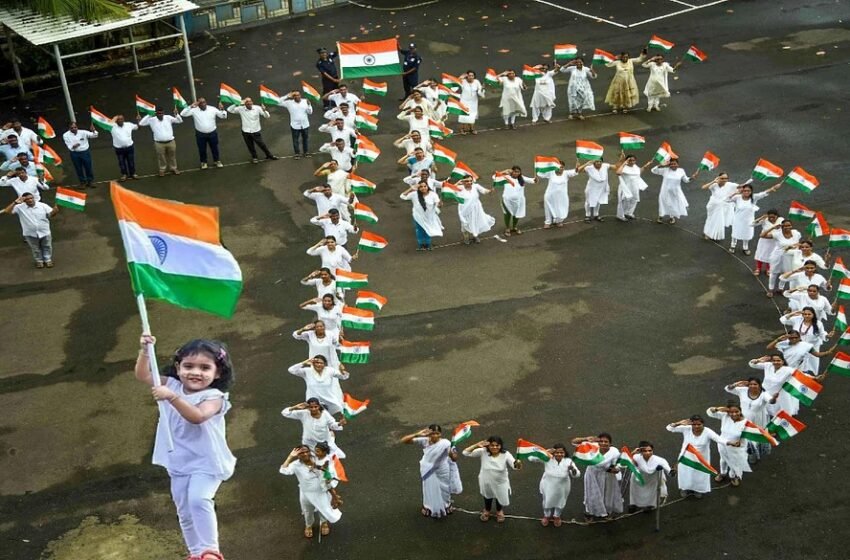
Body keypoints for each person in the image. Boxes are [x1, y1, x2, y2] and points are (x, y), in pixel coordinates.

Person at [134, 334, 236, 560]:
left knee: (199, 500)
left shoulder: (215, 397)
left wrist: (172, 398)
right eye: (188, 366)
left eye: (204, 368)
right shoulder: (172, 384)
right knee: (183, 509)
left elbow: (198, 416)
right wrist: (144, 351)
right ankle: (195, 552)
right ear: (178, 367)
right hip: (179, 459)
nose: (195, 372)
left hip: (207, 461)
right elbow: (142, 374)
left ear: (217, 373)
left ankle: (211, 551)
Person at [279, 445, 342, 539]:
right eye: (301, 453)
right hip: (306, 494)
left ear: (310, 451)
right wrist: (290, 457)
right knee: (308, 511)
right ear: (297, 455)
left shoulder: (319, 459)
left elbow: (329, 473)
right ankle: (308, 526)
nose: (304, 454)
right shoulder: (296, 465)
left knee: (324, 508)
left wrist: (333, 493)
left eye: (306, 451)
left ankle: (324, 523)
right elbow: (283, 470)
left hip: (322, 491)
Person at [462, 436, 522, 523]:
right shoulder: (483, 452)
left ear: (501, 446)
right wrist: (476, 445)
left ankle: (499, 511)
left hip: (500, 482)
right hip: (486, 481)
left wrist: (518, 464)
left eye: (497, 445)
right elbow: (465, 452)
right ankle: (487, 510)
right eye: (492, 445)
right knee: (487, 497)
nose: (494, 447)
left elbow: (515, 467)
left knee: (499, 497)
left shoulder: (506, 454)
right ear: (488, 446)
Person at [400, 425, 455, 518]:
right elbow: (404, 440)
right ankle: (428, 506)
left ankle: (447, 505)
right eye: (432, 433)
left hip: (442, 469)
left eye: (437, 433)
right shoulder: (425, 440)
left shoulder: (446, 443)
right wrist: (417, 434)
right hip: (428, 468)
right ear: (429, 434)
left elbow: (454, 458)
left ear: (440, 434)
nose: (435, 436)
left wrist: (451, 453)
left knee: (444, 487)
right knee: (428, 487)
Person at [666, 415, 726, 498]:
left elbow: (719, 439)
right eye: (694, 424)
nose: (696, 426)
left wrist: (730, 443)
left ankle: (698, 490)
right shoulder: (686, 429)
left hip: (701, 459)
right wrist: (679, 423)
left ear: (703, 424)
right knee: (686, 474)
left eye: (699, 424)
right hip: (686, 457)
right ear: (691, 424)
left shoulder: (708, 431)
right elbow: (669, 428)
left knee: (699, 475)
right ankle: (685, 489)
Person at [571, 434, 623, 520]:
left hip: (608, 476)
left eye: (606, 442)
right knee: (592, 494)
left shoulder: (614, 452)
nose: (603, 443)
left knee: (607, 494)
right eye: (601, 441)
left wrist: (614, 470)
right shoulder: (592, 447)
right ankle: (590, 512)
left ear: (610, 443)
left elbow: (617, 466)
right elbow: (574, 442)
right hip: (592, 475)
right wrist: (586, 438)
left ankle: (606, 512)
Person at [527, 443, 580, 527]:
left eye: (561, 452)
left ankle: (557, 516)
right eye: (557, 452)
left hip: (563, 487)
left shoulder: (568, 461)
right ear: (553, 452)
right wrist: (545, 452)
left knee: (561, 502)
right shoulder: (547, 458)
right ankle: (547, 515)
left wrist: (573, 469)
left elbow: (577, 475)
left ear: (565, 453)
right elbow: (531, 458)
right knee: (546, 502)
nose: (559, 454)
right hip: (548, 486)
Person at [2, 192, 59, 268]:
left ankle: (48, 259)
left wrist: (54, 211)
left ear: (34, 198)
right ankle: (39, 261)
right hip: (30, 233)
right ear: (24, 200)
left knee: (47, 246)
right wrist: (15, 202)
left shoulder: (42, 205)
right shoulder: (19, 207)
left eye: (31, 198)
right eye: (27, 199)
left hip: (45, 231)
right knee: (35, 248)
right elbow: (7, 211)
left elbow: (50, 215)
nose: (30, 200)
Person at [725, 378, 774, 463]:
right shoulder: (743, 390)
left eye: (755, 384)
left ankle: (753, 454)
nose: (752, 386)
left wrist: (774, 398)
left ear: (759, 385)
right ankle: (748, 453)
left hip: (757, 421)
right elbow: (728, 388)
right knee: (743, 438)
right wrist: (737, 383)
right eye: (751, 384)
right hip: (742, 419)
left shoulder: (764, 394)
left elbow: (771, 401)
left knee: (754, 439)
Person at [729, 183, 782, 254]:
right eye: (745, 191)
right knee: (735, 232)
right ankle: (733, 245)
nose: (746, 192)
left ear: (751, 191)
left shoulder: (754, 198)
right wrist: (735, 193)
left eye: (748, 191)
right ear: (742, 191)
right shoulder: (737, 197)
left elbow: (764, 193)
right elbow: (726, 199)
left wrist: (773, 188)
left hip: (748, 220)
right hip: (738, 219)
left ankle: (745, 247)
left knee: (747, 233)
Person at [705, 405, 749, 486]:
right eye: (731, 412)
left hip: (736, 447)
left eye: (736, 412)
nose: (734, 414)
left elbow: (748, 436)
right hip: (722, 444)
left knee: (734, 462)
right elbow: (709, 412)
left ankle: (733, 476)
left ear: (740, 411)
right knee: (723, 460)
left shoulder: (746, 423)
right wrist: (718, 408)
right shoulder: (725, 416)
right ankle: (723, 473)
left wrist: (741, 444)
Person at [180, 98, 227, 169]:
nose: (203, 104)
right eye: (201, 103)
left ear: (206, 102)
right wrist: (190, 106)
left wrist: (222, 109)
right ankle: (203, 162)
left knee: (214, 148)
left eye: (204, 102)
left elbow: (223, 116)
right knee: (202, 149)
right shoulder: (194, 110)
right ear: (198, 104)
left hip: (212, 133)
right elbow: (182, 114)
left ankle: (217, 161)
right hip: (200, 134)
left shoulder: (212, 109)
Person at [227, 97, 277, 163]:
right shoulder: (241, 109)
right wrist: (237, 103)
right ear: (244, 104)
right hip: (246, 131)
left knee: (261, 144)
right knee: (250, 146)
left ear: (252, 102)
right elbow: (229, 110)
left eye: (250, 101)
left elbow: (267, 116)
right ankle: (254, 157)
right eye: (247, 102)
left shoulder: (258, 108)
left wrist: (264, 110)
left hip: (255, 130)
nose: (249, 103)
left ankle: (269, 155)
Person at [761, 219, 802, 297]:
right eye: (785, 226)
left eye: (789, 225)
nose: (787, 227)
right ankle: (770, 289)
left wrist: (797, 245)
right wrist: (773, 228)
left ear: (791, 226)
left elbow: (799, 243)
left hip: (791, 257)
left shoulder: (796, 233)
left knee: (786, 273)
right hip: (778, 256)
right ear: (782, 226)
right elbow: (762, 235)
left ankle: (781, 288)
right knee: (774, 273)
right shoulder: (777, 234)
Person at [651, 158, 698, 224]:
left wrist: (692, 178)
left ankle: (671, 217)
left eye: (674, 164)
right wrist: (661, 165)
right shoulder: (665, 170)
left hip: (675, 192)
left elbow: (686, 180)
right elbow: (653, 170)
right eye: (671, 164)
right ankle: (660, 216)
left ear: (678, 164)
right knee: (663, 204)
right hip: (664, 192)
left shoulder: (681, 171)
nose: (673, 165)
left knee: (673, 204)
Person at [138, 106, 182, 176]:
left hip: (171, 142)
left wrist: (176, 114)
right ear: (156, 113)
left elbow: (180, 121)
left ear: (163, 113)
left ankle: (173, 168)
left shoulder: (168, 118)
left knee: (172, 156)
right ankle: (162, 169)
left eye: (161, 113)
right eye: (158, 113)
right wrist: (149, 114)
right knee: (161, 157)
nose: (160, 115)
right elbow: (141, 123)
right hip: (159, 143)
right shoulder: (151, 120)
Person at [628, 442, 672, 512]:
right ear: (641, 451)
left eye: (650, 450)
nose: (648, 453)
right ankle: (634, 504)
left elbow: (667, 467)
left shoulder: (658, 460)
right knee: (636, 492)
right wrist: (633, 453)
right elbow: (626, 461)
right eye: (645, 451)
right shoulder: (636, 457)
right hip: (638, 478)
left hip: (651, 479)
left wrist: (671, 471)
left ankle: (650, 505)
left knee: (650, 493)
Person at [400, 181, 443, 251]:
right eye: (421, 187)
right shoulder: (414, 194)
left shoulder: (433, 194)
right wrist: (411, 188)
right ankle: (421, 245)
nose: (423, 188)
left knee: (427, 229)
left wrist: (440, 204)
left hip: (429, 217)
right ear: (418, 188)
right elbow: (402, 196)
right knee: (419, 230)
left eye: (424, 186)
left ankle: (428, 244)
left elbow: (438, 204)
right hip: (418, 216)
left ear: (427, 186)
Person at [700, 173, 742, 241]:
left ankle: (715, 234)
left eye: (726, 178)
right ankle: (707, 233)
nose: (724, 180)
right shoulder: (714, 185)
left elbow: (740, 186)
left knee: (719, 221)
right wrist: (713, 181)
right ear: (718, 178)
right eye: (722, 178)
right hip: (712, 205)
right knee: (710, 219)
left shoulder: (730, 184)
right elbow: (703, 187)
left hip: (722, 206)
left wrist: (748, 183)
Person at [497, 165, 537, 236]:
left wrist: (535, 179)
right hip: (507, 201)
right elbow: (495, 177)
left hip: (519, 201)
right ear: (512, 171)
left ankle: (514, 227)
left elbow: (533, 181)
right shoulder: (506, 177)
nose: (516, 173)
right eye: (515, 172)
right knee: (507, 214)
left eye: (518, 172)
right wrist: (504, 171)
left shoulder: (522, 178)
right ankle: (507, 228)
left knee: (517, 215)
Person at [604, 49, 648, 113]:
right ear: (621, 57)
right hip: (618, 81)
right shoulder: (617, 62)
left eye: (626, 57)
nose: (625, 58)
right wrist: (615, 58)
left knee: (626, 94)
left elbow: (639, 59)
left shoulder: (630, 61)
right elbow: (608, 64)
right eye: (624, 57)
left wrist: (643, 53)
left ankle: (624, 106)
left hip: (629, 81)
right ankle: (615, 106)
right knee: (616, 94)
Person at [540, 159, 580, 228]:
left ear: (564, 168)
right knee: (548, 208)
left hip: (562, 196)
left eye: (562, 167)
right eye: (558, 167)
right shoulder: (551, 172)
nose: (560, 168)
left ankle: (558, 221)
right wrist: (538, 167)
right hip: (550, 195)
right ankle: (548, 222)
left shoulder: (566, 173)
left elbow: (575, 171)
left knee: (560, 208)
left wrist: (577, 167)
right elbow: (541, 174)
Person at [456, 177, 495, 244]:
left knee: (476, 222)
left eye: (471, 181)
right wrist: (458, 183)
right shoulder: (459, 188)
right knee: (465, 223)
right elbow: (449, 189)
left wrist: (490, 191)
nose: (469, 182)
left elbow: (484, 191)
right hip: (465, 209)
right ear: (463, 182)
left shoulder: (475, 186)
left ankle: (475, 235)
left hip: (476, 209)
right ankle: (466, 238)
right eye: (467, 181)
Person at [615, 154, 651, 222]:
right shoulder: (623, 167)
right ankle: (620, 215)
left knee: (634, 200)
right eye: (629, 160)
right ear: (626, 160)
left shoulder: (635, 167)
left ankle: (629, 213)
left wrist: (645, 166)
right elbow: (618, 173)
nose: (631, 162)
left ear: (635, 161)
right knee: (623, 201)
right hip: (625, 188)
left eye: (633, 160)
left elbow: (638, 172)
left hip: (634, 187)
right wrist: (624, 163)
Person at [62, 121, 98, 187]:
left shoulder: (83, 132)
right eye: (72, 128)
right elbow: (69, 146)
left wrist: (94, 131)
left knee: (88, 167)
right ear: (69, 128)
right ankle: (82, 182)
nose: (74, 129)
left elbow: (95, 135)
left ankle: (90, 181)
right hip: (75, 154)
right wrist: (73, 146)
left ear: (77, 127)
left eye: (75, 127)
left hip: (85, 153)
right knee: (78, 168)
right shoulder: (65, 135)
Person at [582, 158, 613, 223]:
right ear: (593, 162)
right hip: (591, 188)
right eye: (597, 161)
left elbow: (616, 166)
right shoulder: (589, 168)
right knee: (588, 201)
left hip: (601, 188)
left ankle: (596, 214)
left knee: (598, 201)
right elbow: (578, 170)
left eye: (600, 161)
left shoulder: (605, 166)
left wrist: (621, 159)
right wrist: (586, 164)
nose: (599, 163)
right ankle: (587, 215)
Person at [108, 114, 138, 180]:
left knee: (131, 161)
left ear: (124, 119)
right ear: (116, 121)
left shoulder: (129, 124)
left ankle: (132, 173)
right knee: (121, 162)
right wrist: (114, 117)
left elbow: (138, 127)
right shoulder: (111, 126)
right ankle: (124, 174)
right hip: (119, 149)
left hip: (129, 147)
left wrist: (139, 120)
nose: (120, 120)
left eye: (121, 119)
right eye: (118, 119)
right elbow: (108, 123)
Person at [752, 209, 782, 276]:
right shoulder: (764, 220)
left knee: (771, 255)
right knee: (761, 254)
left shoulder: (781, 220)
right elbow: (752, 224)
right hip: (764, 240)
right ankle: (758, 268)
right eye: (770, 217)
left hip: (774, 241)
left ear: (777, 216)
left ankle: (768, 269)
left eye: (773, 217)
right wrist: (761, 218)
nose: (771, 219)